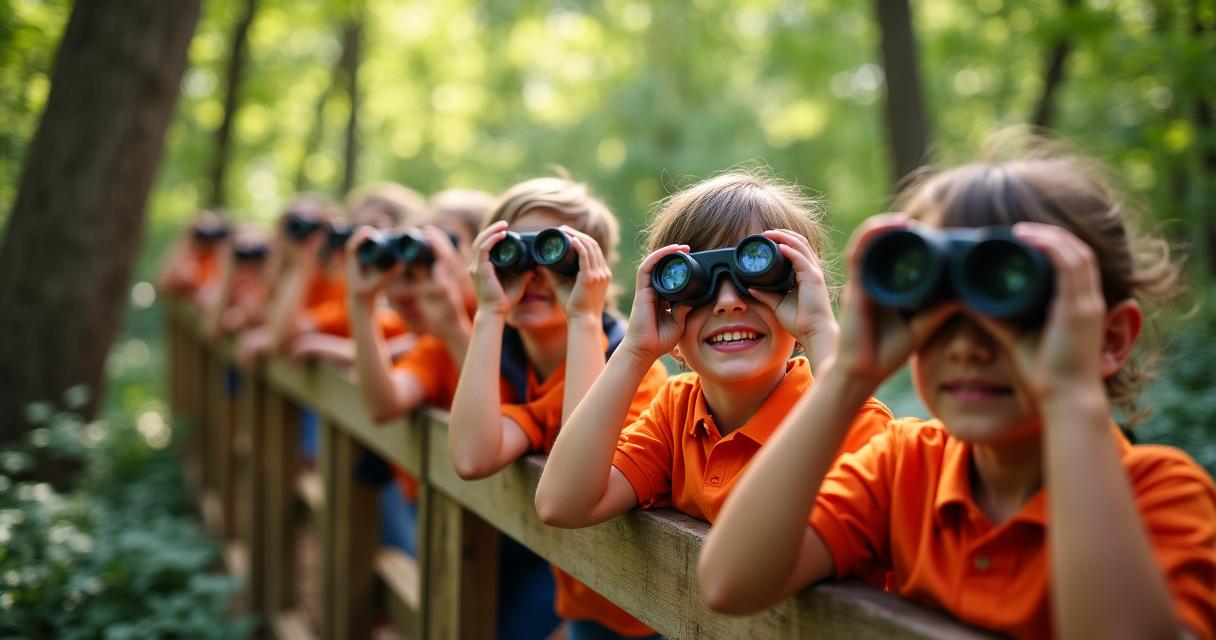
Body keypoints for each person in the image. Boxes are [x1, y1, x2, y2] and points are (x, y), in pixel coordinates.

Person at [697, 134, 1216, 639]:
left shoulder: (1161, 497)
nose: (967, 347)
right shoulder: (904, 469)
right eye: (937, 311)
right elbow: (730, 582)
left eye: (1017, 314)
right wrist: (849, 374)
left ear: (1110, 338)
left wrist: (1070, 398)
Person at [533, 172, 890, 637]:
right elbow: (561, 503)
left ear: (803, 294)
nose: (727, 302)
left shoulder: (856, 424)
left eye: (756, 272)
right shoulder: (677, 410)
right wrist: (637, 349)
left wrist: (821, 329)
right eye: (693, 282)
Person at [449, 177, 669, 640]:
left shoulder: (632, 372)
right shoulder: (517, 369)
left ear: (594, 270)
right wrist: (488, 311)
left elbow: (579, 483)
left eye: (552, 253)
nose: (532, 275)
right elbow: (472, 458)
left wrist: (583, 317)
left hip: (656, 611)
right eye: (513, 252)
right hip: (586, 601)